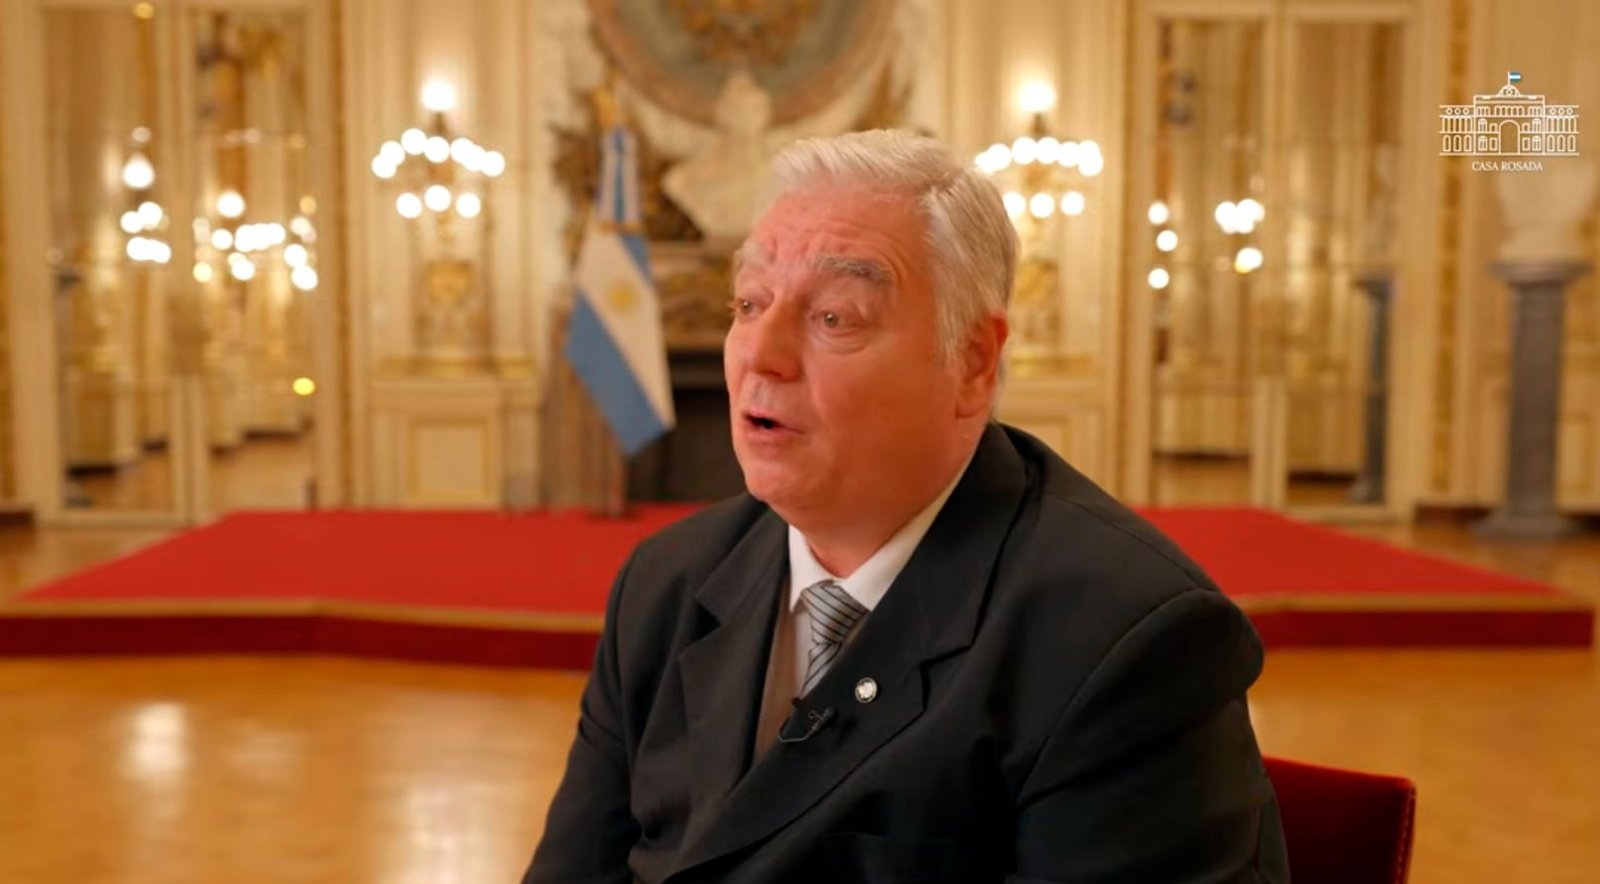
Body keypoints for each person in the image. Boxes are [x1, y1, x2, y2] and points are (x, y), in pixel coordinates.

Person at [524, 129, 1288, 884]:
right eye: (749, 303)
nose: (761, 353)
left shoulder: (1125, 640)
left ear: (973, 363)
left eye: (835, 317)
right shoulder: (666, 582)